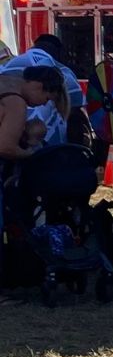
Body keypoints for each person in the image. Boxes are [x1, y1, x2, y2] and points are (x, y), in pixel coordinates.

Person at [0, 66, 66, 306]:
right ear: (37, 86)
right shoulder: (16, 103)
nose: (41, 104)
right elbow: (5, 147)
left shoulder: (4, 81)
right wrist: (30, 152)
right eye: (46, 98)